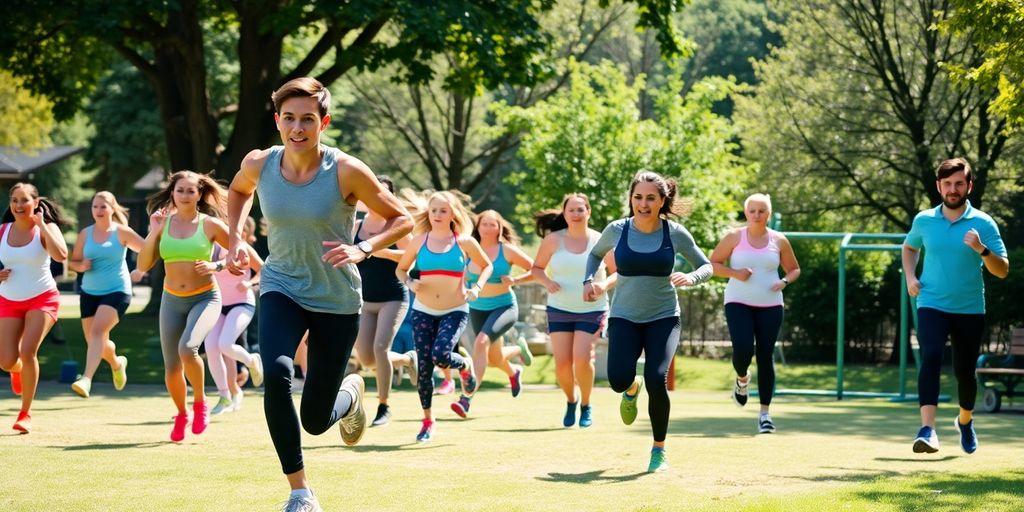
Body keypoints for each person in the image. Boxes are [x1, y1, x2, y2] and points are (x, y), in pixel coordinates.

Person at [226, 77, 412, 512]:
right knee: (275, 374)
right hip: (281, 286)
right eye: (288, 118)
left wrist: (363, 248)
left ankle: (350, 394)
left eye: (307, 119)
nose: (297, 128)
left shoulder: (345, 170)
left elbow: (401, 219)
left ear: (323, 122)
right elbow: (237, 190)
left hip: (336, 299)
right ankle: (300, 491)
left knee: (314, 420)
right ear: (277, 121)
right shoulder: (259, 163)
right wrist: (235, 237)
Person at [584, 171, 712, 473]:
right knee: (617, 380)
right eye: (638, 197)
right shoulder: (617, 229)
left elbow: (706, 265)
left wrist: (692, 277)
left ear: (662, 200)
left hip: (664, 317)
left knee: (657, 378)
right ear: (631, 198)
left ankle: (658, 449)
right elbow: (595, 255)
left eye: (650, 198)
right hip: (624, 316)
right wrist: (588, 279)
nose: (643, 203)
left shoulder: (675, 233)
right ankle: (631, 389)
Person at [903, 157, 1009, 455]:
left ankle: (964, 420)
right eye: (947, 183)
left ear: (969, 186)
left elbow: (1002, 270)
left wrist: (982, 249)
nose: (953, 189)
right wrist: (911, 276)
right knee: (932, 356)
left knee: (965, 372)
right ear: (939, 186)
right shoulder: (924, 220)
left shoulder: (983, 223)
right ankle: (928, 429)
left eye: (959, 183)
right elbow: (910, 247)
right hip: (931, 302)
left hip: (970, 308)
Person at [137, 171, 231, 442]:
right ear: (172, 193)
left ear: (199, 195)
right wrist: (154, 232)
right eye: (181, 190)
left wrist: (216, 265)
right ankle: (181, 413)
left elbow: (240, 253)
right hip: (171, 300)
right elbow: (143, 265)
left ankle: (200, 404)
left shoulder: (210, 225)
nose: (186, 195)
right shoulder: (162, 224)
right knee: (172, 368)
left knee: (188, 348)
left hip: (205, 298)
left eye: (191, 191)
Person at [395, 190, 491, 441]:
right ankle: (428, 420)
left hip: (455, 310)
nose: (437, 215)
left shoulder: (465, 242)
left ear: (452, 214)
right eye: (434, 210)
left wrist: (477, 287)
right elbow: (401, 269)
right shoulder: (418, 241)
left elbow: (486, 265)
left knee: (440, 355)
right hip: (423, 311)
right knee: (424, 368)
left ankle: (464, 366)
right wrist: (409, 282)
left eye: (443, 210)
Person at [708, 193, 800, 434]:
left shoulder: (779, 240)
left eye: (762, 211)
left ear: (768, 214)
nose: (757, 215)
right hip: (738, 301)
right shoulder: (734, 237)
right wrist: (736, 273)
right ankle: (742, 379)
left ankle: (765, 415)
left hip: (771, 305)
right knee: (743, 349)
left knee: (765, 356)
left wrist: (784, 281)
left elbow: (794, 269)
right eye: (752, 211)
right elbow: (712, 264)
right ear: (746, 213)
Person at [531, 193, 616, 428]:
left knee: (582, 358)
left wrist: (603, 285)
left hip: (592, 308)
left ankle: (586, 404)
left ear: (588, 212)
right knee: (562, 364)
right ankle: (571, 400)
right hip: (559, 307)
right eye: (572, 210)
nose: (576, 214)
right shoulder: (553, 240)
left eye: (581, 209)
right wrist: (547, 282)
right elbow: (536, 268)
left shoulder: (601, 240)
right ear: (565, 214)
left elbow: (617, 272)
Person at [0, 183, 70, 433]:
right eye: (14, 200)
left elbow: (61, 255)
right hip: (8, 299)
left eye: (24, 201)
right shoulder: (2, 231)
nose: (19, 206)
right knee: (7, 361)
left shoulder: (46, 229)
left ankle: (25, 413)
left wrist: (41, 225)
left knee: (28, 350)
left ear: (36, 203)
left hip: (42, 298)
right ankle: (16, 370)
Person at [351, 175, 417, 427]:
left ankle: (384, 406)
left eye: (386, 193)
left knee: (380, 349)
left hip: (393, 297)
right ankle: (408, 360)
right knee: (367, 359)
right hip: (364, 299)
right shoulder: (355, 226)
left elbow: (411, 257)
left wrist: (380, 250)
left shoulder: (396, 225)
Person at [458, 209, 535, 417]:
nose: (489, 228)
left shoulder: (507, 250)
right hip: (477, 308)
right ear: (478, 226)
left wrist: (516, 280)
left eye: (494, 224)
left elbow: (535, 269)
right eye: (485, 224)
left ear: (500, 228)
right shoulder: (469, 250)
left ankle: (467, 398)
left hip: (504, 307)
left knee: (481, 343)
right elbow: (460, 275)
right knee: (492, 358)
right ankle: (515, 365)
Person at [67, 191, 144, 398]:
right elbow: (72, 262)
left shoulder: (121, 232)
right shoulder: (85, 233)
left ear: (112, 208)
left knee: (97, 334)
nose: (99, 210)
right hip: (89, 292)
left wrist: (141, 269)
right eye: (95, 206)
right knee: (96, 341)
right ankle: (117, 363)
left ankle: (86, 379)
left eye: (103, 206)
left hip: (117, 290)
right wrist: (80, 266)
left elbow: (147, 250)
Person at [201, 217, 265, 415]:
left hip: (242, 303)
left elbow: (263, 269)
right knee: (212, 347)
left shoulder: (243, 248)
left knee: (225, 344)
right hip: (218, 304)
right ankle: (224, 395)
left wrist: (249, 283)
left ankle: (252, 360)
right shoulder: (212, 248)